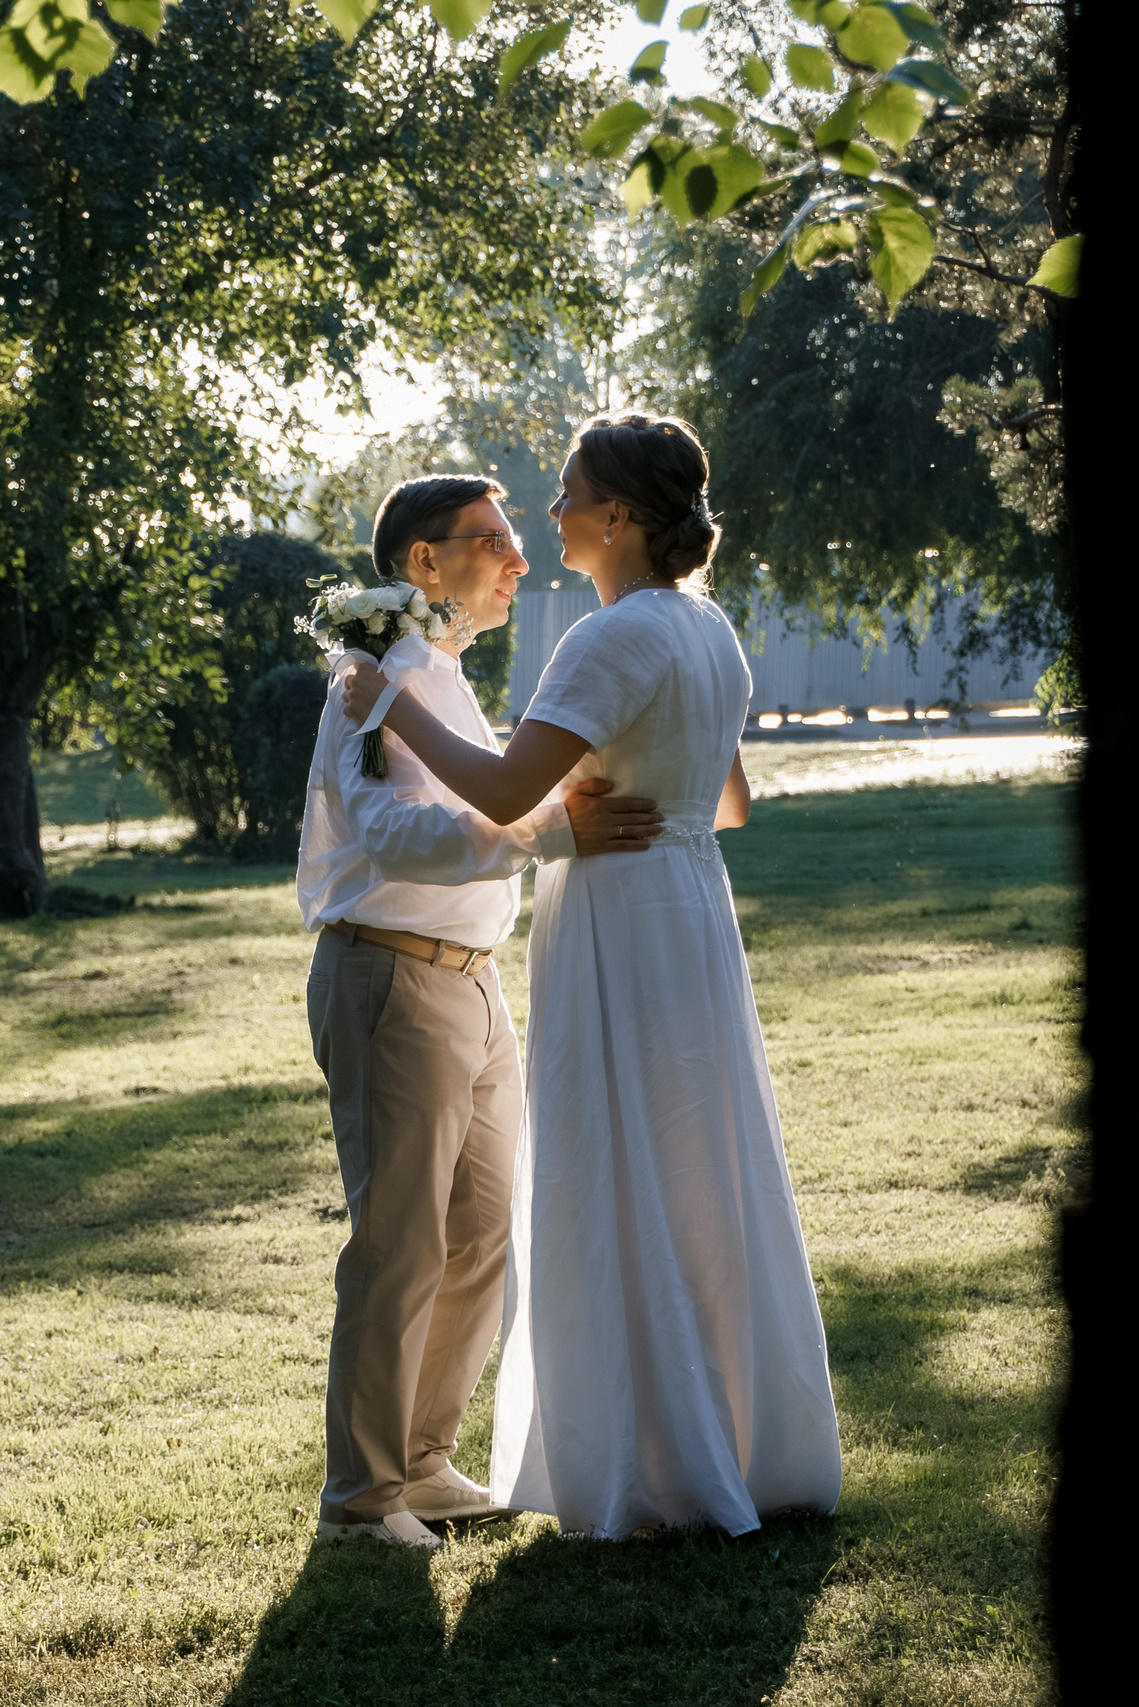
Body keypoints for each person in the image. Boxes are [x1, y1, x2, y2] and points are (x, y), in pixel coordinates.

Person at [339, 416, 843, 1539]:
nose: (550, 514)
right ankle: (740, 1440)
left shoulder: (607, 638)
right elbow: (729, 802)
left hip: (618, 914)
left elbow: (513, 795)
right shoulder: (707, 627)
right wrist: (635, 791)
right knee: (701, 1161)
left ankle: (647, 1459)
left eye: (566, 494)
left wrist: (389, 704)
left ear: (617, 516)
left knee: (620, 1164)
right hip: (690, 910)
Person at [298, 472, 669, 1549]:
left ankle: (418, 1463)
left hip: (469, 981)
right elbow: (390, 836)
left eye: (515, 541)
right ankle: (360, 1503)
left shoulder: (444, 679)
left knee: (479, 1237)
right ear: (425, 563)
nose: (518, 561)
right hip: (389, 975)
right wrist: (548, 829)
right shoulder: (372, 680)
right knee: (400, 1244)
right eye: (492, 544)